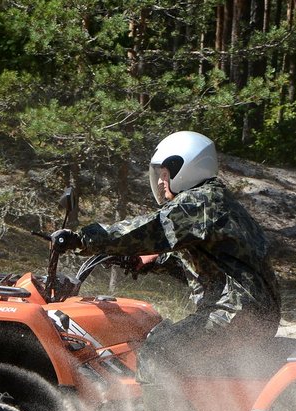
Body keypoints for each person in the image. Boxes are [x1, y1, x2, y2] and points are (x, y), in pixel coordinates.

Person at [51, 130, 281, 391]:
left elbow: (154, 228)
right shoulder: (215, 203)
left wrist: (84, 239)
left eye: (164, 174)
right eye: (158, 175)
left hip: (236, 313)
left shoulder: (201, 201)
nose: (161, 182)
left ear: (186, 167)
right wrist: (152, 261)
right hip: (253, 313)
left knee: (158, 350)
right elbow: (213, 265)